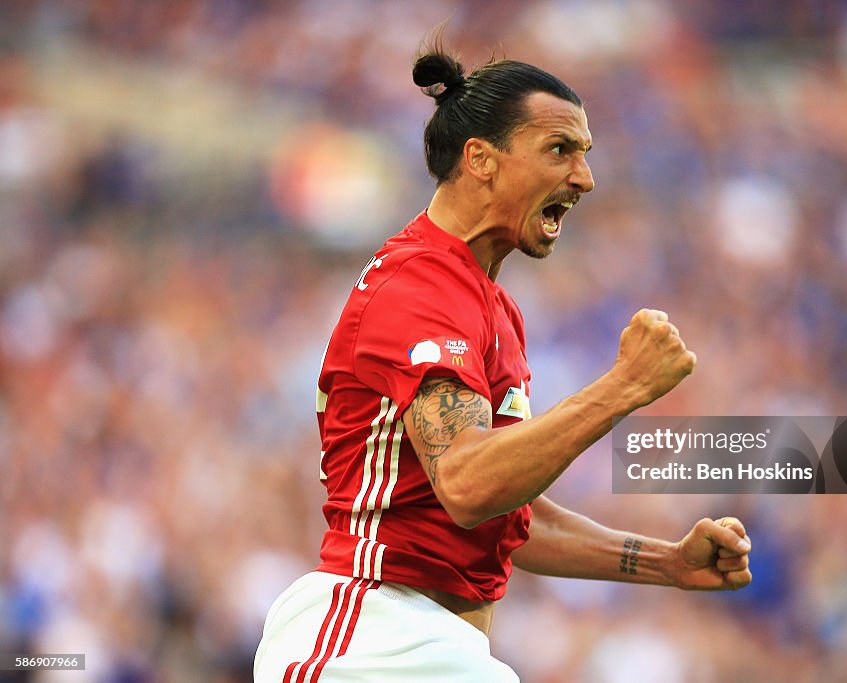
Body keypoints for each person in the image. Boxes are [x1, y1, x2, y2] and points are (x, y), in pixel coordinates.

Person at [254, 38, 752, 683]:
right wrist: (623, 387)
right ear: (481, 160)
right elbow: (467, 485)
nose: (585, 177)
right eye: (558, 149)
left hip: (422, 644)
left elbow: (510, 512)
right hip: (370, 635)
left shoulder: (487, 304)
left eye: (584, 154)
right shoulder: (420, 286)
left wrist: (666, 564)